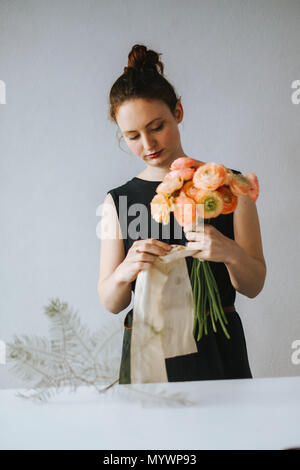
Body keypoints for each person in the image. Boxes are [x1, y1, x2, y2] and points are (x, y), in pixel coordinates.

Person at [98, 44, 266, 384]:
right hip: (150, 348)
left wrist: (230, 253)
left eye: (156, 126)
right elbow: (111, 302)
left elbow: (254, 285)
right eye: (132, 136)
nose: (148, 144)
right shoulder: (118, 201)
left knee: (226, 436)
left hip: (217, 344)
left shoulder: (230, 185)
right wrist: (125, 270)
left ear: (179, 111)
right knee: (151, 439)